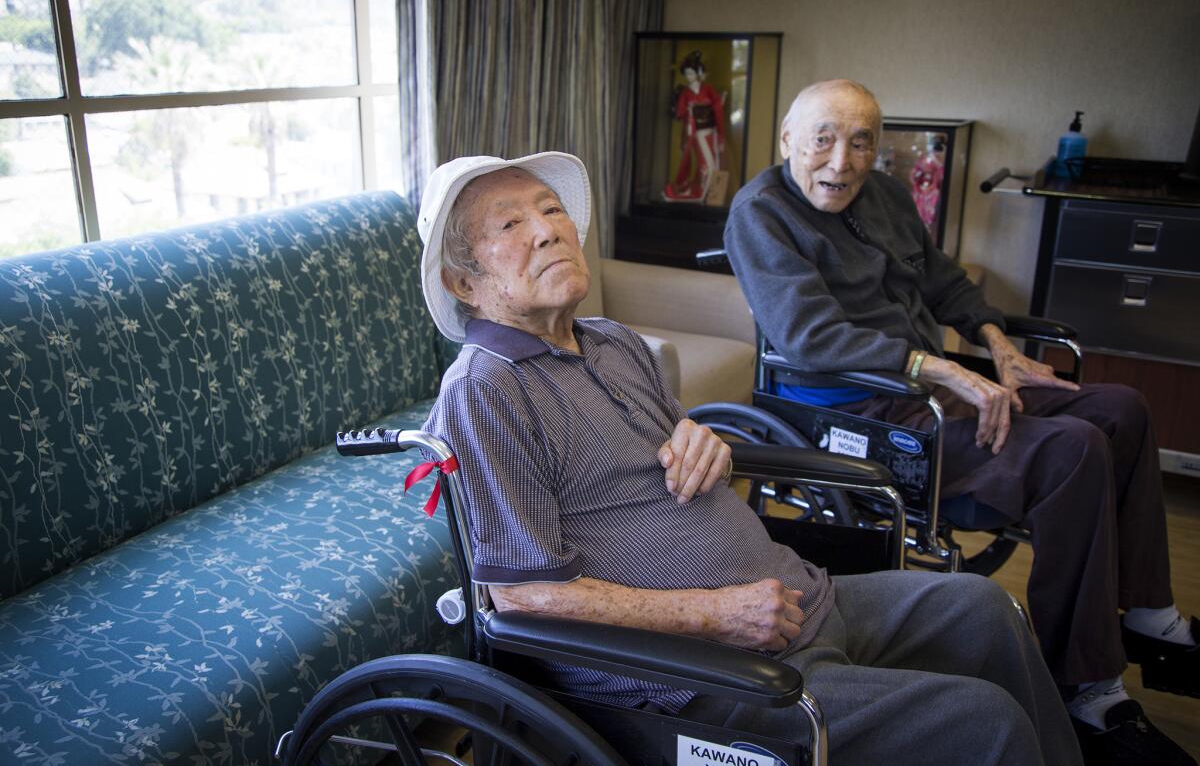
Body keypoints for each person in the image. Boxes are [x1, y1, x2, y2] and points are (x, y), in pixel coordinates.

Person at [417, 150, 1083, 765]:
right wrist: (718, 614)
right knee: (986, 723)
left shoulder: (614, 342)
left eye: (551, 208)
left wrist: (713, 446)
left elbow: (694, 454)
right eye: (510, 222)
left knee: (988, 610)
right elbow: (523, 594)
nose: (546, 229)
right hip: (700, 677)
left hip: (798, 599)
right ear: (463, 282)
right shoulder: (487, 389)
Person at [724, 78, 1197, 765]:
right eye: (822, 139)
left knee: (1122, 409)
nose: (841, 160)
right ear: (787, 140)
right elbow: (808, 334)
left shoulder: (882, 195)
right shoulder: (760, 212)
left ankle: (1148, 614)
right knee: (1072, 450)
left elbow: (943, 280)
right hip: (860, 406)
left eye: (860, 142)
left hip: (932, 378)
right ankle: (1087, 687)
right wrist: (944, 368)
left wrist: (1000, 349)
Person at [663, 51, 725, 203]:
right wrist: (688, 107)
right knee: (705, 164)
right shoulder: (685, 92)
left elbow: (717, 110)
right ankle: (702, 193)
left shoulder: (708, 89)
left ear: (699, 73)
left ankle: (708, 194)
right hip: (696, 133)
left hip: (710, 131)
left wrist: (721, 135)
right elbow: (680, 112)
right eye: (687, 74)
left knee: (713, 164)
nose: (689, 77)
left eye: (692, 73)